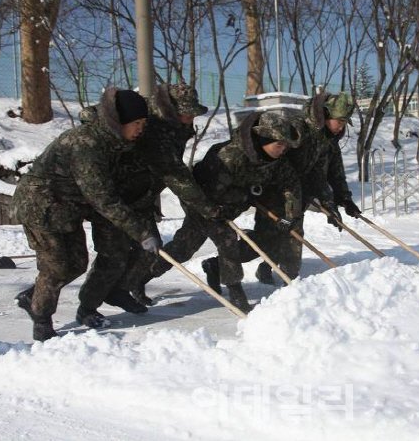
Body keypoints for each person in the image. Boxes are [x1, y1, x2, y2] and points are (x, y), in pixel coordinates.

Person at [12, 88, 160, 341]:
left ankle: (34, 296)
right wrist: (141, 231)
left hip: (67, 208)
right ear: (120, 121)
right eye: (136, 123)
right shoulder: (87, 144)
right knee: (56, 266)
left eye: (143, 123)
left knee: (77, 264)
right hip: (41, 206)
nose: (140, 129)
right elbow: (102, 197)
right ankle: (42, 321)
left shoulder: (110, 141)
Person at [119, 111, 303, 313]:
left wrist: (290, 215)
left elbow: (291, 185)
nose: (283, 150)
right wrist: (237, 199)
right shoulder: (230, 156)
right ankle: (236, 293)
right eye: (279, 145)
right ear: (262, 140)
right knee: (227, 240)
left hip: (226, 208)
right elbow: (206, 192)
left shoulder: (275, 161)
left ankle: (140, 278)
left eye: (286, 146)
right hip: (202, 204)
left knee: (183, 247)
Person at [77, 83, 224, 313]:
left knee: (150, 249)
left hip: (143, 194)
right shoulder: (150, 122)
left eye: (191, 113)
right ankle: (87, 307)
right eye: (186, 112)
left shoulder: (175, 124)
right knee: (113, 255)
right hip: (118, 196)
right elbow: (174, 173)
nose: (189, 118)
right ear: (171, 108)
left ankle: (122, 290)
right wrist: (207, 207)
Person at [209, 91, 361, 285]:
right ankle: (218, 265)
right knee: (266, 239)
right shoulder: (299, 129)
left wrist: (339, 199)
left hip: (296, 193)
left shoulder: (327, 138)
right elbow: (272, 159)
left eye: (344, 122)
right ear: (325, 114)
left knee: (290, 240)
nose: (341, 127)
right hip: (273, 192)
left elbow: (328, 172)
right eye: (339, 121)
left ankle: (288, 282)